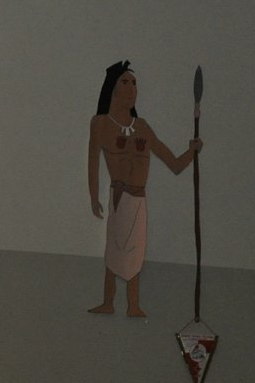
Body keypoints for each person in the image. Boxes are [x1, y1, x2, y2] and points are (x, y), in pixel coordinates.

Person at [86, 60, 201, 317]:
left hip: (138, 200)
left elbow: (173, 163)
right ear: (112, 88)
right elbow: (93, 163)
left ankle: (133, 305)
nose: (132, 89)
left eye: (134, 84)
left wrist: (191, 151)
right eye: (125, 82)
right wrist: (94, 198)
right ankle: (108, 302)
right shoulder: (100, 124)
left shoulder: (143, 127)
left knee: (136, 253)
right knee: (113, 251)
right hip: (118, 196)